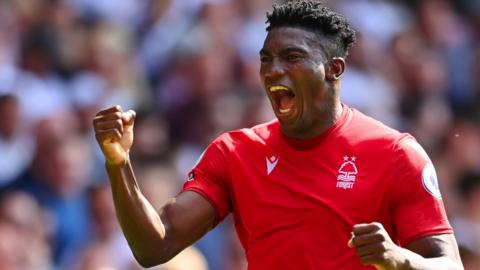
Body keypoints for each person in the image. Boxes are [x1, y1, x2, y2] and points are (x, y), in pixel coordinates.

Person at [92, 1, 464, 269]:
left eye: (292, 57)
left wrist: (399, 260)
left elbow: (448, 265)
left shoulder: (394, 153)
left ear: (334, 69)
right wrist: (118, 162)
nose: (273, 70)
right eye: (266, 58)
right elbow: (154, 247)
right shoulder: (236, 152)